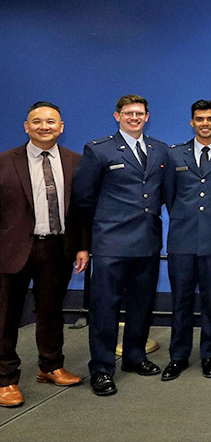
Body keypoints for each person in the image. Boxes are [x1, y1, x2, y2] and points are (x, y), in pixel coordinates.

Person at [73, 94, 169, 396]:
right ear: (117, 116)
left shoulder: (159, 150)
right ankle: (101, 368)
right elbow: (83, 200)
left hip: (148, 242)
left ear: (147, 116)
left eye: (140, 113)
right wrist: (84, 244)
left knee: (142, 305)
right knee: (105, 308)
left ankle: (134, 357)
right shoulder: (99, 150)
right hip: (111, 242)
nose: (134, 118)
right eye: (128, 113)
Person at [0, 102, 89, 408]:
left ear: (61, 127)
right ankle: (5, 379)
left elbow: (80, 211)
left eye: (51, 122)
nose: (44, 126)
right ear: (26, 127)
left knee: (51, 311)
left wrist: (81, 246)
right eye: (36, 122)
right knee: (5, 317)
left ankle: (50, 366)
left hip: (57, 248)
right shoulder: (4, 161)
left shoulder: (76, 162)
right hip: (10, 249)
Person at [161, 100, 211, 381]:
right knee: (180, 301)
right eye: (199, 119)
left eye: (210, 119)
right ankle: (178, 356)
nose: (205, 123)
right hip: (182, 241)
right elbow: (170, 197)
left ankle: (208, 356)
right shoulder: (175, 155)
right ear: (191, 122)